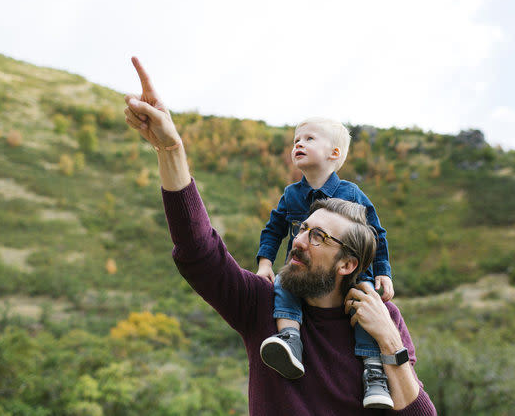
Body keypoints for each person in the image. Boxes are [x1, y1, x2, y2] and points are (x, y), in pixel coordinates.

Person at [123, 56, 437, 416]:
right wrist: (171, 150)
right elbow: (198, 251)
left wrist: (389, 340)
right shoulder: (262, 304)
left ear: (348, 263)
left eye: (318, 236)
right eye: (302, 229)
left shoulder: (382, 316)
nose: (299, 241)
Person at [256, 116, 396, 408]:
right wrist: (265, 262)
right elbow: (274, 229)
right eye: (296, 140)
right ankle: (290, 339)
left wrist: (383, 272)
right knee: (284, 282)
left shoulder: (353, 194)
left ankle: (374, 373)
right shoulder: (292, 195)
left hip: (354, 274)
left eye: (309, 139)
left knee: (366, 302)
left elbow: (377, 234)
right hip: (304, 273)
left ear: (334, 153)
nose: (299, 144)